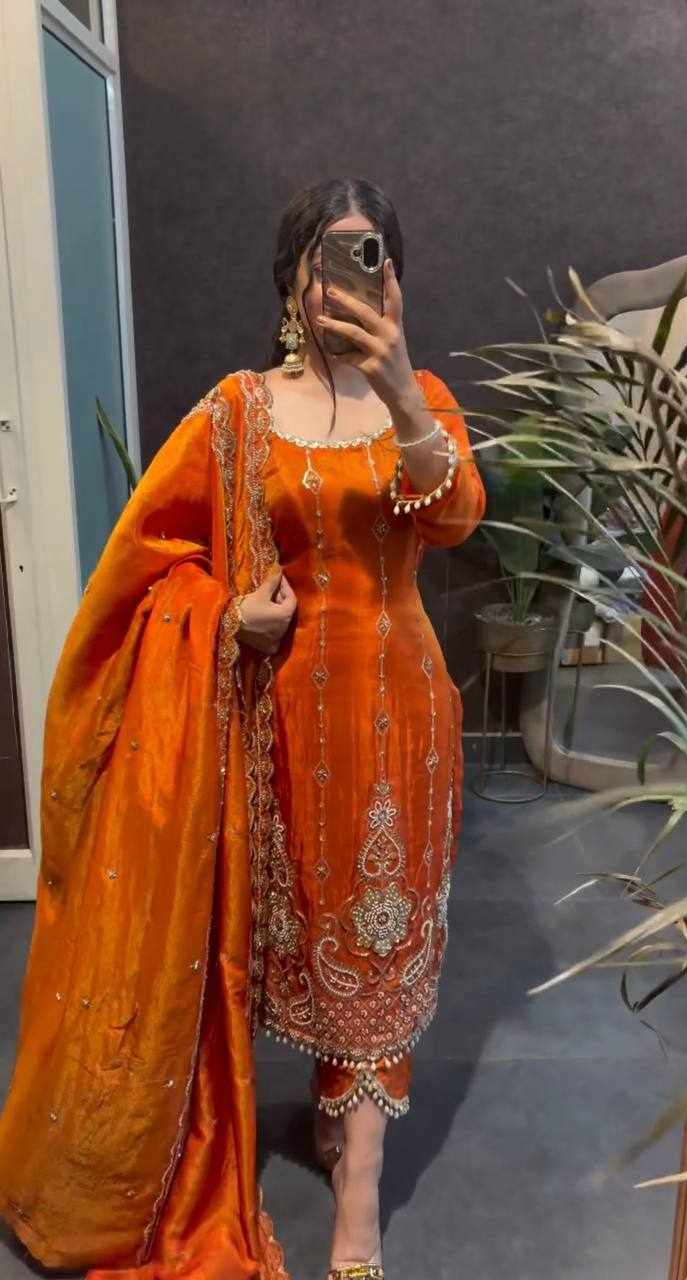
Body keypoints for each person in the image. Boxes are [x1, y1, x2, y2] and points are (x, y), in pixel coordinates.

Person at [0, 176, 486, 1280]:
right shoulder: (237, 411)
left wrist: (401, 389)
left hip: (401, 727)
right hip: (268, 730)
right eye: (325, 262)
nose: (342, 286)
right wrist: (224, 615)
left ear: (395, 281)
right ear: (289, 281)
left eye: (367, 259)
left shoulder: (422, 400)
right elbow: (143, 563)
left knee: (376, 942)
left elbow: (456, 517)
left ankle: (358, 1198)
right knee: (279, 936)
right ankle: (296, 1115)